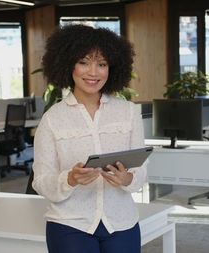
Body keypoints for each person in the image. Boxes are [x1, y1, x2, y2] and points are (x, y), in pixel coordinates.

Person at [32, 24, 146, 253]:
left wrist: (126, 179)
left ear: (111, 68)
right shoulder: (52, 119)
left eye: (101, 64)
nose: (93, 72)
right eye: (83, 62)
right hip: (69, 225)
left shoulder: (129, 112)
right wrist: (70, 179)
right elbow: (41, 181)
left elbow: (141, 172)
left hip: (122, 223)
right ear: (68, 65)